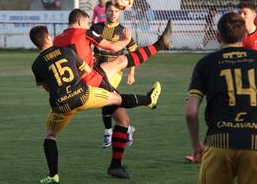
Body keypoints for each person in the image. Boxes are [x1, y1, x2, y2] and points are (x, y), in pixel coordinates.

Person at [30, 26, 162, 184]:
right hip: (83, 95)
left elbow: (47, 87)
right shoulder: (65, 51)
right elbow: (86, 70)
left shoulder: (36, 65)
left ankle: (53, 176)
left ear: (35, 43)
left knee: (50, 136)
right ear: (48, 37)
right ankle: (149, 100)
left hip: (61, 105)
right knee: (116, 98)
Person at [53, 8, 172, 178]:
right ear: (80, 22)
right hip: (90, 80)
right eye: (87, 22)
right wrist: (126, 40)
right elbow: (113, 46)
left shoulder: (58, 39)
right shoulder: (84, 32)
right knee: (121, 66)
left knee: (123, 120)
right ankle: (150, 96)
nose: (88, 25)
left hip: (73, 86)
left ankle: (115, 166)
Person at [186, 12, 257, 183]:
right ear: (245, 35)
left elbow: (191, 113)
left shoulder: (206, 63)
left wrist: (196, 146)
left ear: (217, 36)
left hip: (219, 142)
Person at [91, 1, 138, 148]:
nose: (113, 14)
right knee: (109, 99)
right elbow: (88, 47)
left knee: (104, 98)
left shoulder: (123, 32)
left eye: (116, 11)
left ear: (120, 13)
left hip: (115, 72)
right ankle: (128, 128)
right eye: (111, 11)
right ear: (105, 11)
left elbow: (134, 53)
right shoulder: (96, 28)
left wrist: (131, 73)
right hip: (98, 70)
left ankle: (108, 132)